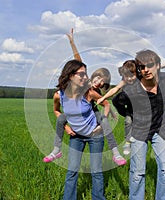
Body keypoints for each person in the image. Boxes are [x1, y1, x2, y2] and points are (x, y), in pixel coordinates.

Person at [43, 28, 126, 166]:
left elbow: (105, 103)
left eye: (102, 83)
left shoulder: (93, 92)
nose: (99, 83)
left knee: (104, 122)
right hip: (78, 111)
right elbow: (78, 61)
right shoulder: (84, 82)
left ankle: (116, 153)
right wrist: (72, 43)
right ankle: (56, 149)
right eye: (99, 78)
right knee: (61, 119)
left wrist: (108, 114)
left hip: (92, 113)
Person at [112, 49, 165, 200]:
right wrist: (129, 114)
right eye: (142, 67)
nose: (146, 70)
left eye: (150, 65)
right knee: (138, 172)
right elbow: (116, 101)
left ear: (157, 65)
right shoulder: (132, 90)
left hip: (161, 128)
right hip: (139, 131)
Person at [97, 59, 165, 155]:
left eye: (132, 76)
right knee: (128, 121)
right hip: (131, 106)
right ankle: (127, 142)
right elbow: (115, 89)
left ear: (137, 72)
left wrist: (162, 66)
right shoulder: (124, 80)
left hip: (144, 103)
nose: (129, 79)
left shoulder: (140, 76)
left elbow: (152, 70)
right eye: (126, 76)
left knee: (162, 103)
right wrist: (103, 98)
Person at [55, 59, 106, 200]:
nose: (85, 77)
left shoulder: (88, 92)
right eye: (81, 74)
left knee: (96, 171)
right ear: (71, 75)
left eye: (85, 74)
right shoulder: (60, 94)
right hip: (76, 136)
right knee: (72, 170)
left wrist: (102, 125)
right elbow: (57, 111)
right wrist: (65, 126)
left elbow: (106, 104)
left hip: (95, 135)